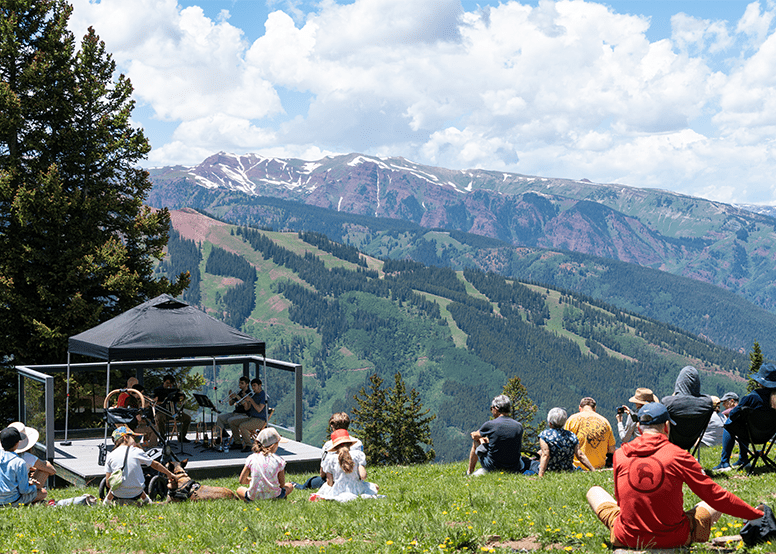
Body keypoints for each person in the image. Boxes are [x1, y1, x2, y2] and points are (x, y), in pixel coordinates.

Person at [587, 403, 764, 549]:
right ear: (666, 426)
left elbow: (620, 500)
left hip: (627, 537)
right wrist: (754, 514)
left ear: (640, 429)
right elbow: (715, 495)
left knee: (594, 491)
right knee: (707, 503)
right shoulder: (678, 455)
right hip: (674, 538)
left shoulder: (620, 454)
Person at [714, 364, 776, 471]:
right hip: (768, 435)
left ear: (760, 382)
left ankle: (725, 462)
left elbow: (733, 414)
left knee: (730, 422)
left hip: (751, 435)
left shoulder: (752, 397)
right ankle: (742, 459)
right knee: (744, 423)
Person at [104, 426, 177, 506]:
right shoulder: (137, 451)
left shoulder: (110, 455)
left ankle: (106, 503)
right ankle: (147, 501)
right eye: (135, 439)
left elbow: (108, 483)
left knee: (116, 484)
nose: (137, 442)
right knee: (136, 482)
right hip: (136, 492)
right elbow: (155, 465)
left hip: (118, 493)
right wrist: (170, 474)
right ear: (125, 438)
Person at [298, 412, 363, 490]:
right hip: (354, 482)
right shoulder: (358, 443)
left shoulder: (328, 445)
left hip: (335, 482)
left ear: (332, 426)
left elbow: (322, 473)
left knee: (312, 480)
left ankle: (300, 486)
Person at [316, 429, 380, 502]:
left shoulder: (330, 459)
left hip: (338, 490)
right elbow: (363, 476)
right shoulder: (358, 455)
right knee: (375, 487)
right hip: (357, 489)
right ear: (350, 444)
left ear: (335, 447)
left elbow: (329, 482)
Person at [467, 394, 525, 475]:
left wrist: (477, 436)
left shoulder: (491, 424)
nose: (491, 411)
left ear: (496, 409)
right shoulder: (518, 426)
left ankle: (469, 471)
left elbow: (475, 436)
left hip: (493, 466)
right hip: (514, 466)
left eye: (492, 408)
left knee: (476, 441)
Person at [236, 427, 293, 501]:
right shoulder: (279, 460)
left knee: (239, 489)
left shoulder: (251, 458)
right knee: (290, 486)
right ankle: (277, 499)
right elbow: (282, 484)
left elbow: (242, 480)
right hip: (275, 496)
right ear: (273, 445)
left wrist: (251, 480)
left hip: (253, 498)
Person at [538, 408, 595, 476]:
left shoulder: (544, 435)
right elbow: (580, 455)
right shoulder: (571, 435)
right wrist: (592, 469)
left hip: (550, 469)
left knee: (532, 463)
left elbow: (546, 455)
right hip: (567, 470)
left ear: (550, 422)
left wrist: (540, 475)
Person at [0, 423, 56, 491]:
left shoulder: (2, 455)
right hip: (18, 492)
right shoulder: (27, 457)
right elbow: (52, 470)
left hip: (4, 491)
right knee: (45, 466)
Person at [0, 425, 46, 506]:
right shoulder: (19, 462)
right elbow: (24, 490)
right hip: (12, 501)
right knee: (43, 493)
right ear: (17, 443)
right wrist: (33, 486)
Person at [564, 397, 615, 470]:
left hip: (577, 467)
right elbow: (611, 449)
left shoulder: (572, 420)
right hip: (599, 466)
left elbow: (565, 443)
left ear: (580, 408)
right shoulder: (605, 422)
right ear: (595, 408)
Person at [231, 378, 268, 452]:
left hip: (260, 420)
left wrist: (251, 400)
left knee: (243, 426)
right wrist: (244, 400)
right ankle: (238, 443)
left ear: (260, 386)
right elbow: (247, 408)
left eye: (255, 386)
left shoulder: (263, 395)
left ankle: (249, 445)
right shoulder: (254, 395)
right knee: (232, 422)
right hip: (251, 417)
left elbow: (259, 409)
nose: (253, 388)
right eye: (252, 386)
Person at [153, 374, 192, 443]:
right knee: (159, 418)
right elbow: (154, 402)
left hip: (173, 412)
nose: (169, 385)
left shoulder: (174, 390)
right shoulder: (157, 390)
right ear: (163, 382)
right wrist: (159, 401)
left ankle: (182, 437)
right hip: (162, 412)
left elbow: (179, 400)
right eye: (167, 383)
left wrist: (181, 398)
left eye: (171, 384)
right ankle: (163, 438)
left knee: (187, 418)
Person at [215, 376, 251, 444]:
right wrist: (230, 397)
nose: (239, 385)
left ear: (247, 384)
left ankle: (237, 441)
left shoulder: (249, 393)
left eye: (242, 383)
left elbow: (247, 407)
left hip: (244, 414)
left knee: (231, 420)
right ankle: (219, 437)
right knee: (220, 418)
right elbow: (231, 404)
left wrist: (237, 397)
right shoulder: (239, 392)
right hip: (235, 413)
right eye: (239, 383)